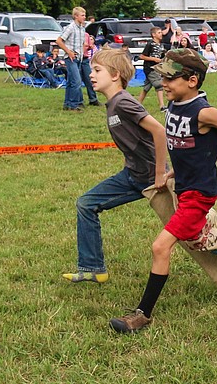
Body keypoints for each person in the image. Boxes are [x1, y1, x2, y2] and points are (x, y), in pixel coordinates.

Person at [110, 49, 217, 333]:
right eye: (163, 79)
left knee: (161, 246)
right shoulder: (173, 106)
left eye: (171, 79)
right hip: (183, 187)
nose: (165, 85)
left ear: (192, 80)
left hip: (198, 195)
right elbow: (183, 146)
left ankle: (142, 315)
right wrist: (172, 172)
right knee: (204, 242)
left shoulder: (204, 112)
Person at [64, 50, 168, 285]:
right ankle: (93, 269)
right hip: (133, 175)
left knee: (193, 232)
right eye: (92, 70)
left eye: (97, 70)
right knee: (86, 203)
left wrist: (160, 173)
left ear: (115, 75)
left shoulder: (122, 102)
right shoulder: (112, 104)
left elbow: (159, 131)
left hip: (151, 179)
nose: (91, 75)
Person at [55, 7, 100, 112]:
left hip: (79, 58)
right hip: (70, 58)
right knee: (76, 81)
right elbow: (59, 41)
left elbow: (82, 43)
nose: (84, 17)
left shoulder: (82, 28)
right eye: (82, 15)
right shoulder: (70, 27)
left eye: (85, 15)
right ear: (76, 16)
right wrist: (69, 51)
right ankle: (73, 104)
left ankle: (68, 103)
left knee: (71, 81)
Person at [137, 26, 167, 109]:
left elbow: (162, 56)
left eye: (161, 32)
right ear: (154, 35)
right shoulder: (150, 44)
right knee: (159, 85)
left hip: (157, 68)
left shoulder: (161, 45)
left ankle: (138, 104)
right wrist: (153, 59)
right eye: (159, 33)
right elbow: (142, 56)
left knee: (146, 87)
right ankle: (162, 106)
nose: (161, 34)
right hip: (150, 68)